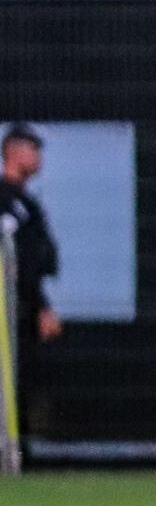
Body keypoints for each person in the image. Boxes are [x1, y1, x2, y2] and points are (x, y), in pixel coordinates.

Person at [0, 123, 62, 428]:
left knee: (25, 381)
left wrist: (41, 305)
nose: (38, 156)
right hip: (6, 312)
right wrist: (40, 305)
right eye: (32, 148)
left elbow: (37, 262)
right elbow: (16, 262)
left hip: (23, 313)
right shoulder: (3, 199)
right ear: (12, 151)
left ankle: (20, 450)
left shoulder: (29, 204)